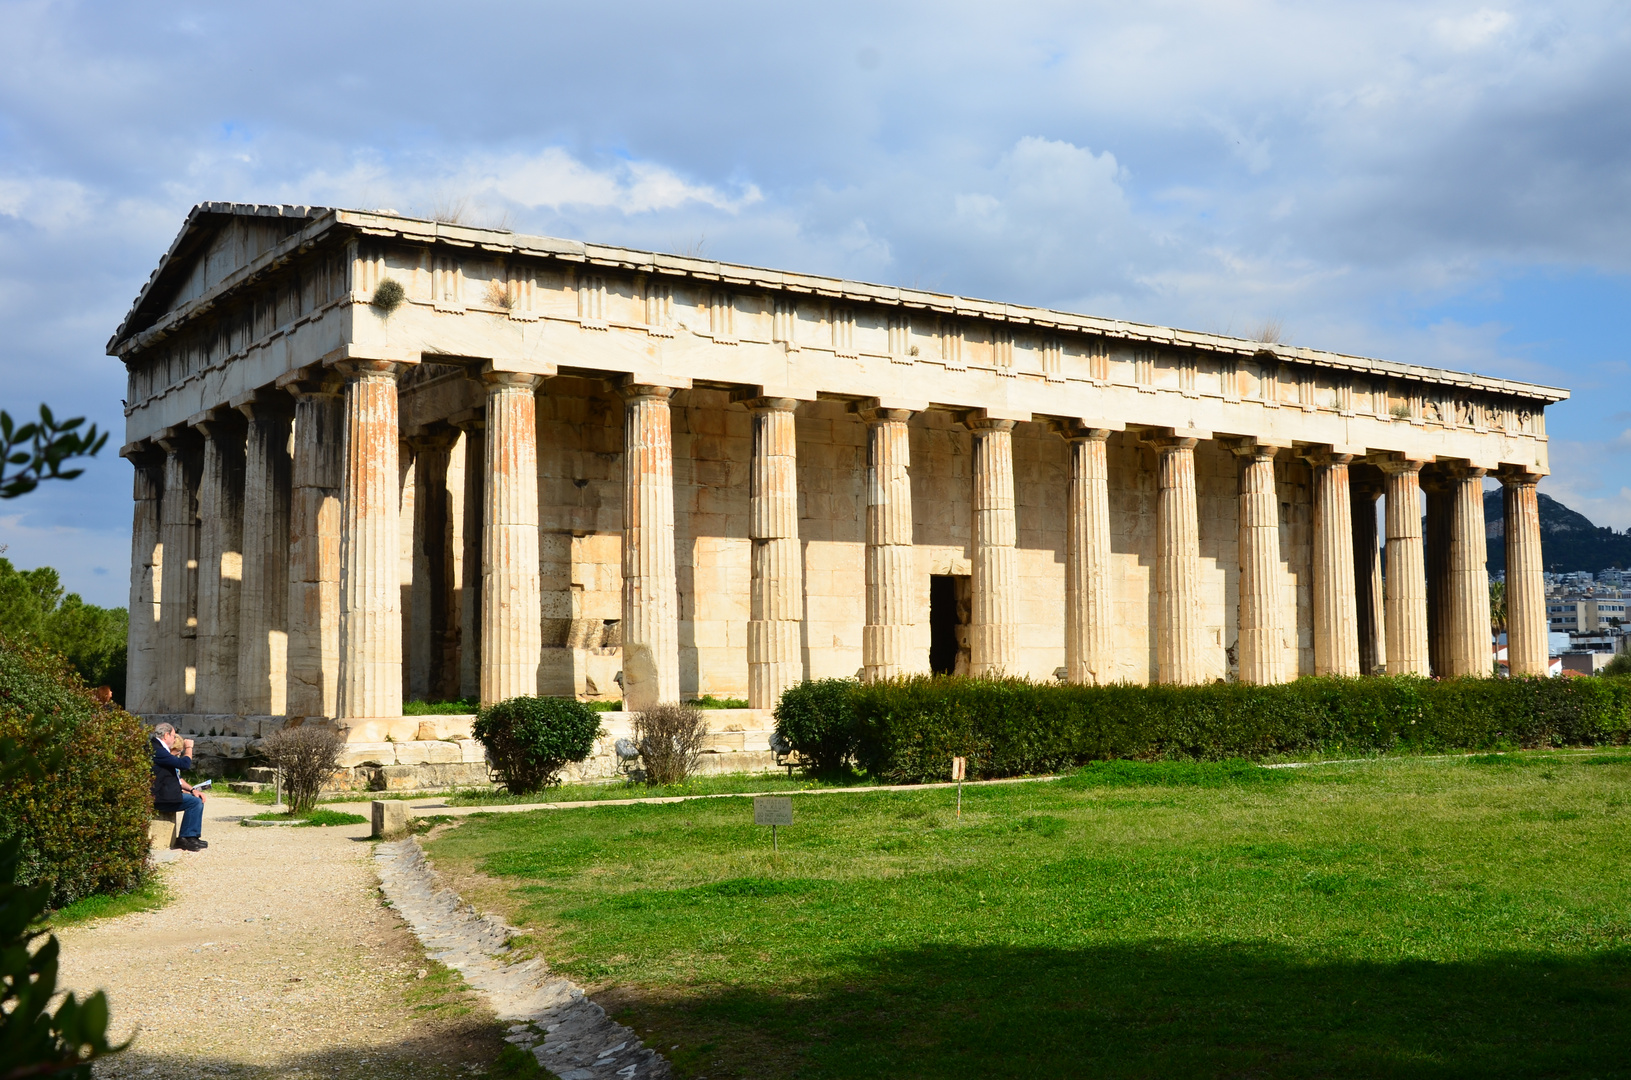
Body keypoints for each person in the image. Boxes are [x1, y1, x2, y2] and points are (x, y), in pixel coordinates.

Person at [150, 723, 209, 852]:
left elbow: (176, 777)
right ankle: (187, 837)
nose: (174, 739)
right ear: (166, 735)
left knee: (194, 798)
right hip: (160, 798)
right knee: (194, 802)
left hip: (163, 793)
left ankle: (191, 836)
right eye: (173, 735)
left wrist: (192, 790)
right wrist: (189, 748)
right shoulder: (158, 750)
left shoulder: (157, 748)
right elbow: (184, 764)